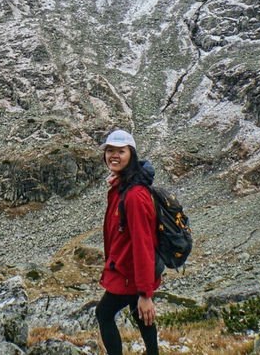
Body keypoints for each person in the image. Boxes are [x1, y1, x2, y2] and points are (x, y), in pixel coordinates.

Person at [95, 129, 160, 355]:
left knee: (104, 313)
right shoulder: (121, 186)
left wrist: (145, 293)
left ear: (131, 154)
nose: (113, 155)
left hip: (130, 272)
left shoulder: (134, 195)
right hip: (126, 268)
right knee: (141, 314)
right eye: (109, 150)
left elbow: (143, 244)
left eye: (120, 151)